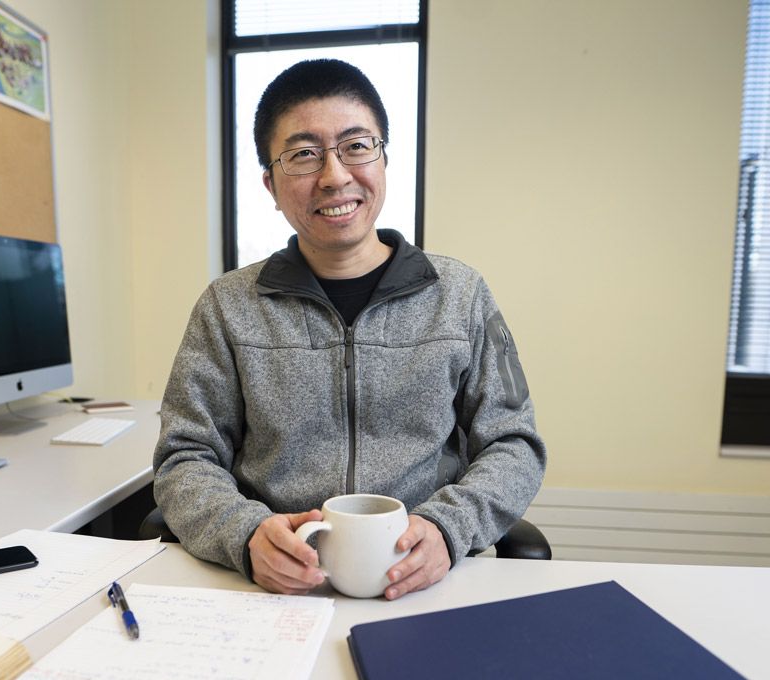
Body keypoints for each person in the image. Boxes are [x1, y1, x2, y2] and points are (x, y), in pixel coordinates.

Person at [153, 58, 546, 600]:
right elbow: (184, 458)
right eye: (304, 155)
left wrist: (449, 530)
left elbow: (514, 443)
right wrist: (243, 535)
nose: (335, 176)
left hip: (425, 581)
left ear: (383, 159)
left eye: (357, 146)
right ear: (271, 183)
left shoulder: (460, 295)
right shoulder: (227, 307)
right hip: (274, 591)